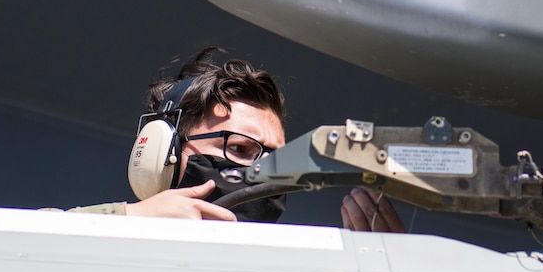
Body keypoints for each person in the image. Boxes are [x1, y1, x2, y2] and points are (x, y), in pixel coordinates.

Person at [74, 46, 403, 231]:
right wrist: (130, 219)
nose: (264, 173)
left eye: (275, 161)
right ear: (161, 153)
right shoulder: (78, 249)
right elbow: (23, 241)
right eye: (239, 149)